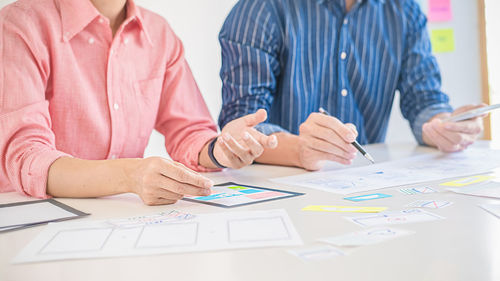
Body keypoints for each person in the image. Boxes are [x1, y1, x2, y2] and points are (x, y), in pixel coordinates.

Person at [0, 0, 277, 205]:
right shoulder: (20, 24)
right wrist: (129, 175)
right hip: (34, 214)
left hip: (122, 216)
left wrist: (222, 148)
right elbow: (26, 158)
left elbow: (190, 132)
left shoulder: (158, 33)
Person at [218, 0, 485, 171]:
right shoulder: (259, 10)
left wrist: (445, 126)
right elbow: (241, 126)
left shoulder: (405, 11)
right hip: (281, 186)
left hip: (364, 185)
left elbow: (424, 101)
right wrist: (302, 150)